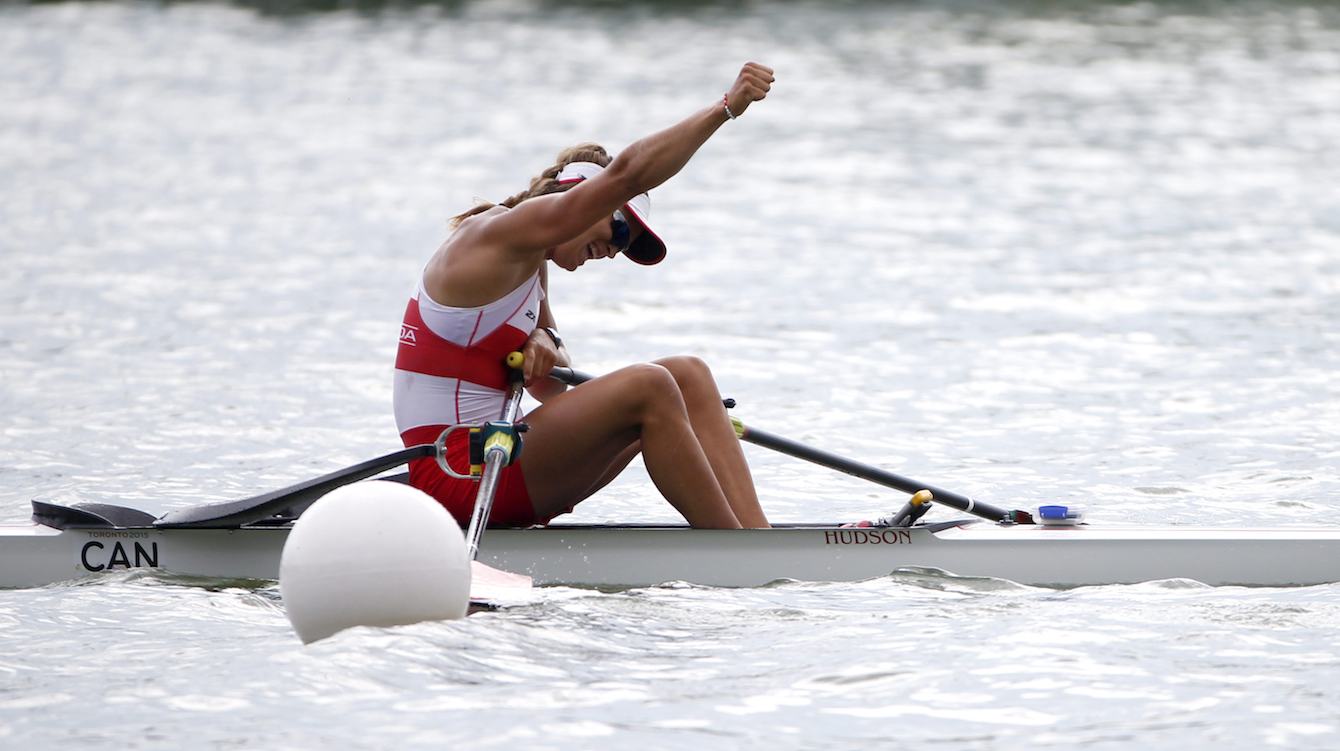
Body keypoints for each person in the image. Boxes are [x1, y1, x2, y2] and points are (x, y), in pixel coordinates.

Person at [393, 62, 775, 530]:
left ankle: (758, 536)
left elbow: (552, 384)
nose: (615, 251)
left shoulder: (529, 262)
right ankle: (735, 553)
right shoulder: (498, 236)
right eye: (618, 228)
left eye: (625, 245)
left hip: (495, 458)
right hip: (456, 473)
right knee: (650, 385)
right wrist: (725, 109)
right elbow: (630, 174)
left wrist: (546, 340)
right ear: (576, 198)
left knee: (688, 376)